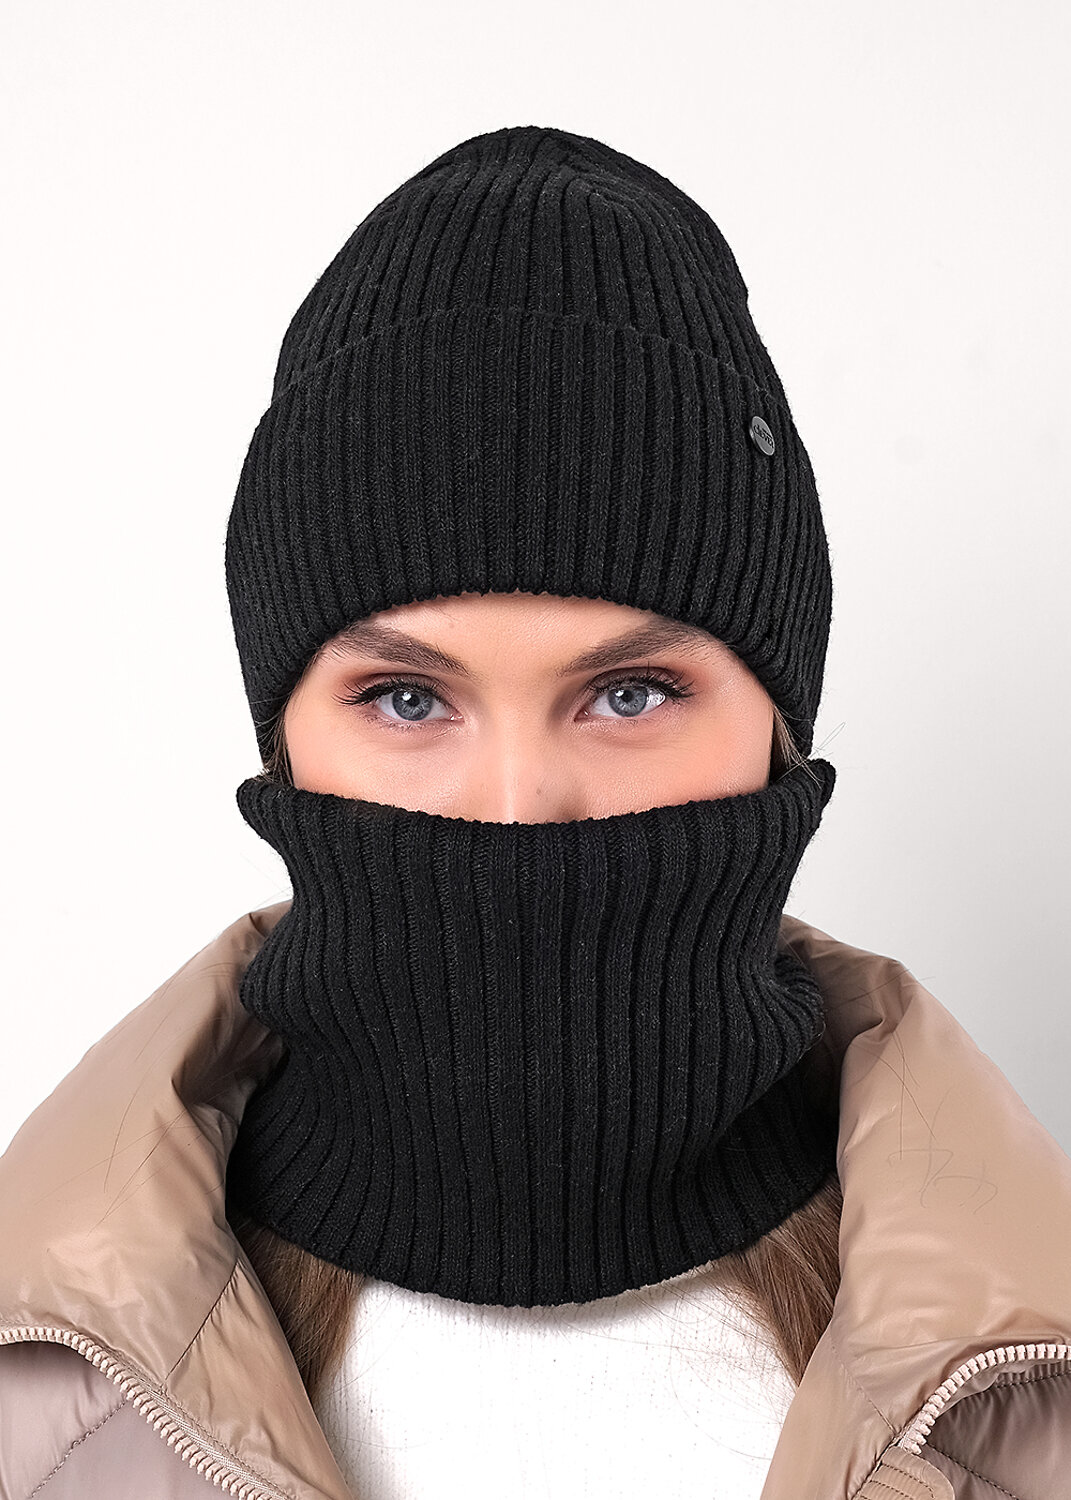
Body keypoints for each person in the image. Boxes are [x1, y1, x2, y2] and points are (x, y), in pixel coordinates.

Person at [1, 123, 1070, 1500]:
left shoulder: (1028, 1393)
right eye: (405, 698)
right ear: (284, 740)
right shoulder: (38, 1398)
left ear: (779, 733)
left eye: (630, 693)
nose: (518, 813)